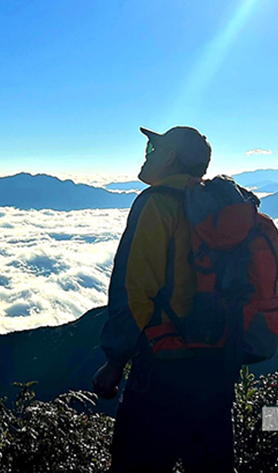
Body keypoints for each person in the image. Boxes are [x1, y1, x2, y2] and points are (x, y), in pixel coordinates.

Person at [93, 126, 239, 473]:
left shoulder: (157, 203)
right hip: (217, 368)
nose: (147, 155)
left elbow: (135, 290)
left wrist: (115, 361)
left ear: (171, 157)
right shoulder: (216, 207)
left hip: (164, 370)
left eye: (154, 149)